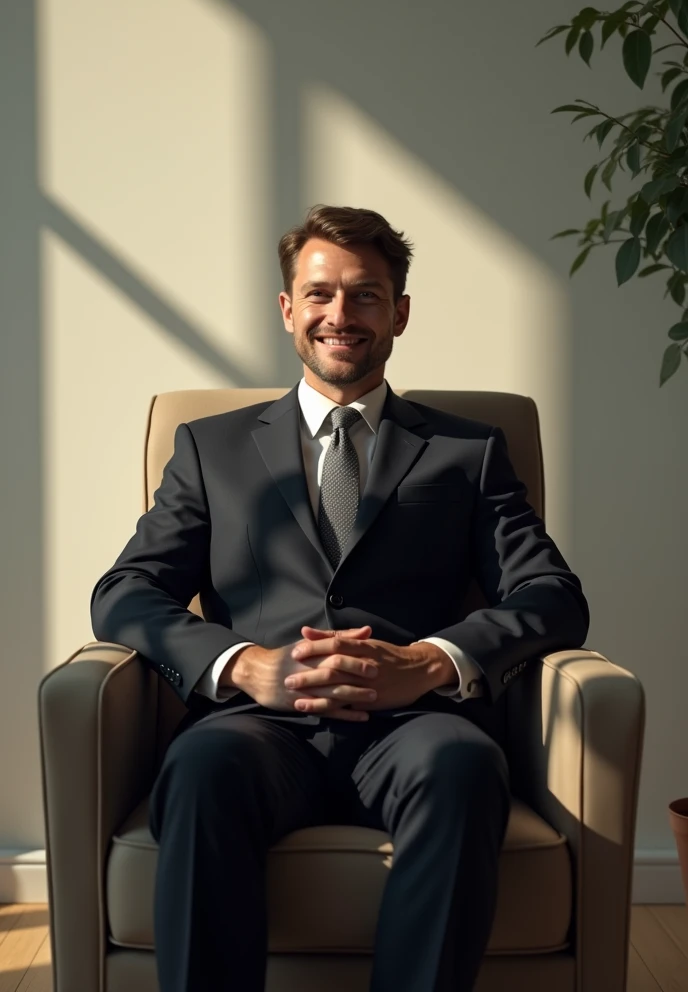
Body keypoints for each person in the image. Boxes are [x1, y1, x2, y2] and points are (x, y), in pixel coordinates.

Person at [90, 204, 590, 992]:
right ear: (289, 309)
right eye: (320, 294)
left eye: (365, 295)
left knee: (465, 765)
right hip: (253, 727)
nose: (340, 315)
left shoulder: (469, 450)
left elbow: (551, 594)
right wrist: (241, 665)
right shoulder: (211, 447)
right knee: (199, 767)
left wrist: (429, 663)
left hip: (416, 727)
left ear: (400, 312)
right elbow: (125, 591)